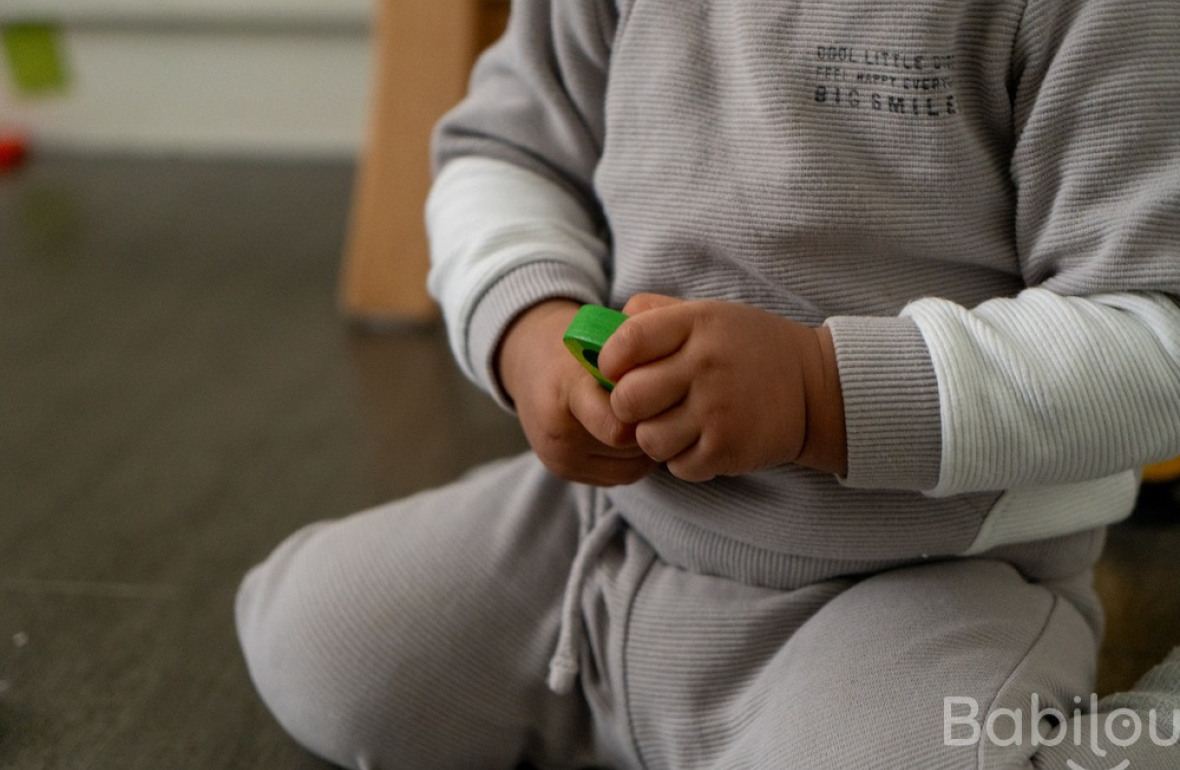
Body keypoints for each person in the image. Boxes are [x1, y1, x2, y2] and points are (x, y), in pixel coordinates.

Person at [236, 1, 1180, 767]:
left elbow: (1151, 337)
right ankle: (643, 707)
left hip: (916, 591)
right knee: (321, 641)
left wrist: (825, 392)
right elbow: (507, 155)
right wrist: (532, 331)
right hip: (609, 540)